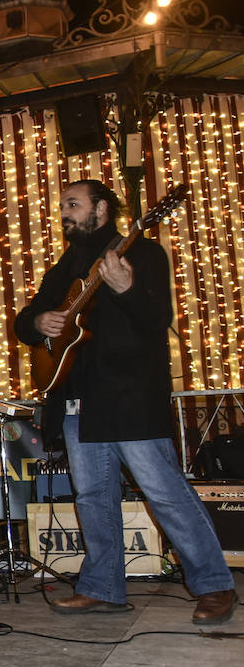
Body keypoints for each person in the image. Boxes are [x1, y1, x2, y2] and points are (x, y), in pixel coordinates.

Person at [14, 179, 236, 625]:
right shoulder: (67, 264)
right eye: (63, 206)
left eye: (73, 204)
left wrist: (125, 287)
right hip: (79, 398)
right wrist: (41, 321)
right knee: (94, 496)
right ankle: (102, 588)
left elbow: (158, 319)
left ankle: (214, 585)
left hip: (132, 396)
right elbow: (25, 322)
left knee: (165, 493)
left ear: (101, 208)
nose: (65, 213)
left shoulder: (143, 253)